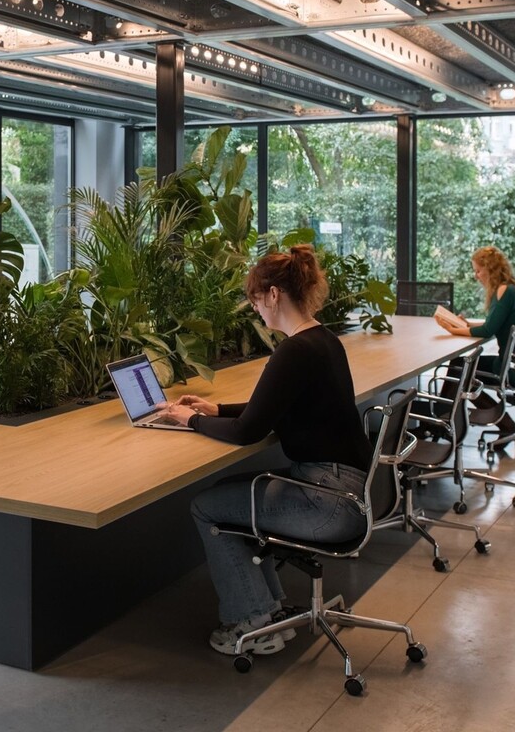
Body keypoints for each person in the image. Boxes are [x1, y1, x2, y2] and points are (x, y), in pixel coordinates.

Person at [155, 244, 372, 657]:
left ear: (273, 294)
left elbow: (248, 431)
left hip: (326, 501)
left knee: (207, 506)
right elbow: (271, 407)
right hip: (346, 490)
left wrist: (190, 421)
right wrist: (212, 408)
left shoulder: (293, 350)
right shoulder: (323, 340)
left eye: (255, 299)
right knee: (232, 491)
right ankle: (268, 612)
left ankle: (254, 622)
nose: (255, 309)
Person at [433, 245, 515, 449]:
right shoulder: (508, 290)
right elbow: (491, 324)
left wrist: (452, 329)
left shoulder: (504, 291)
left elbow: (488, 330)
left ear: (490, 269)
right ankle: (443, 418)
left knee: (461, 369)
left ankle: (444, 419)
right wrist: (463, 324)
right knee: (461, 366)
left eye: (478, 270)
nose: (476, 275)